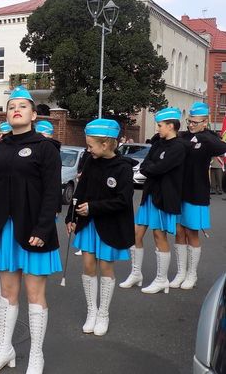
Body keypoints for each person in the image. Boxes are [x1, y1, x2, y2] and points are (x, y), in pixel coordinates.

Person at [0, 86, 62, 373]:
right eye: (11, 107)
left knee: (35, 294)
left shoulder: (45, 148)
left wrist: (43, 229)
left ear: (33, 115)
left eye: (22, 106)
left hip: (35, 230)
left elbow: (52, 193)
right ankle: (4, 349)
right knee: (7, 294)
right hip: (4, 229)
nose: (16, 110)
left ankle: (36, 355)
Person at [66, 119, 135, 336]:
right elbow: (80, 191)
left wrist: (93, 207)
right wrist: (71, 216)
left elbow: (123, 200)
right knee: (88, 265)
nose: (88, 150)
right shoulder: (90, 162)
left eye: (90, 146)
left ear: (105, 145)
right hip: (88, 223)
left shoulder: (123, 168)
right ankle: (92, 311)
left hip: (110, 225)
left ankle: (103, 313)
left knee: (106, 267)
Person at [119, 107, 186, 294]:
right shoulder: (157, 143)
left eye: (160, 125)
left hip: (164, 196)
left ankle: (161, 280)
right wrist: (152, 168)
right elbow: (147, 165)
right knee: (135, 234)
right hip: (149, 194)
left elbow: (159, 168)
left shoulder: (179, 147)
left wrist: (152, 168)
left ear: (171, 126)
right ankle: (136, 274)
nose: (157, 128)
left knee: (159, 236)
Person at [174, 102, 226, 289]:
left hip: (197, 192)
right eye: (189, 121)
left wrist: (204, 134)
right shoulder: (184, 136)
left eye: (195, 122)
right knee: (179, 231)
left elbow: (221, 147)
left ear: (205, 122)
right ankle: (181, 272)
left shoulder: (209, 138)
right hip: (179, 191)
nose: (191, 125)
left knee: (192, 232)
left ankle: (192, 274)